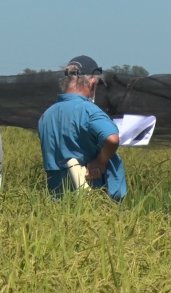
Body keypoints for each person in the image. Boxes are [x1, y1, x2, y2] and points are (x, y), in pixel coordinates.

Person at [38, 55, 127, 201]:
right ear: (91, 81)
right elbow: (112, 139)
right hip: (94, 199)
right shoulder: (88, 110)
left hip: (58, 200)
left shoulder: (46, 116)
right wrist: (101, 161)